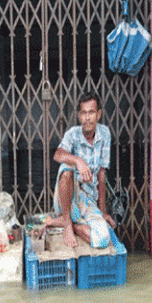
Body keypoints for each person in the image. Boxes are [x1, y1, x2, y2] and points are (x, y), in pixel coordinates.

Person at [46, 92, 116, 248]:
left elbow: (101, 174)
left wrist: (103, 211)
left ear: (98, 114)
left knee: (103, 240)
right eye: (83, 113)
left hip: (88, 200)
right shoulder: (73, 134)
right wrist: (78, 161)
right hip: (69, 198)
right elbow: (57, 155)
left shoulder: (104, 134)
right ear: (79, 115)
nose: (87, 117)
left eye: (91, 112)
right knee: (66, 168)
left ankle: (69, 223)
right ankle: (67, 224)